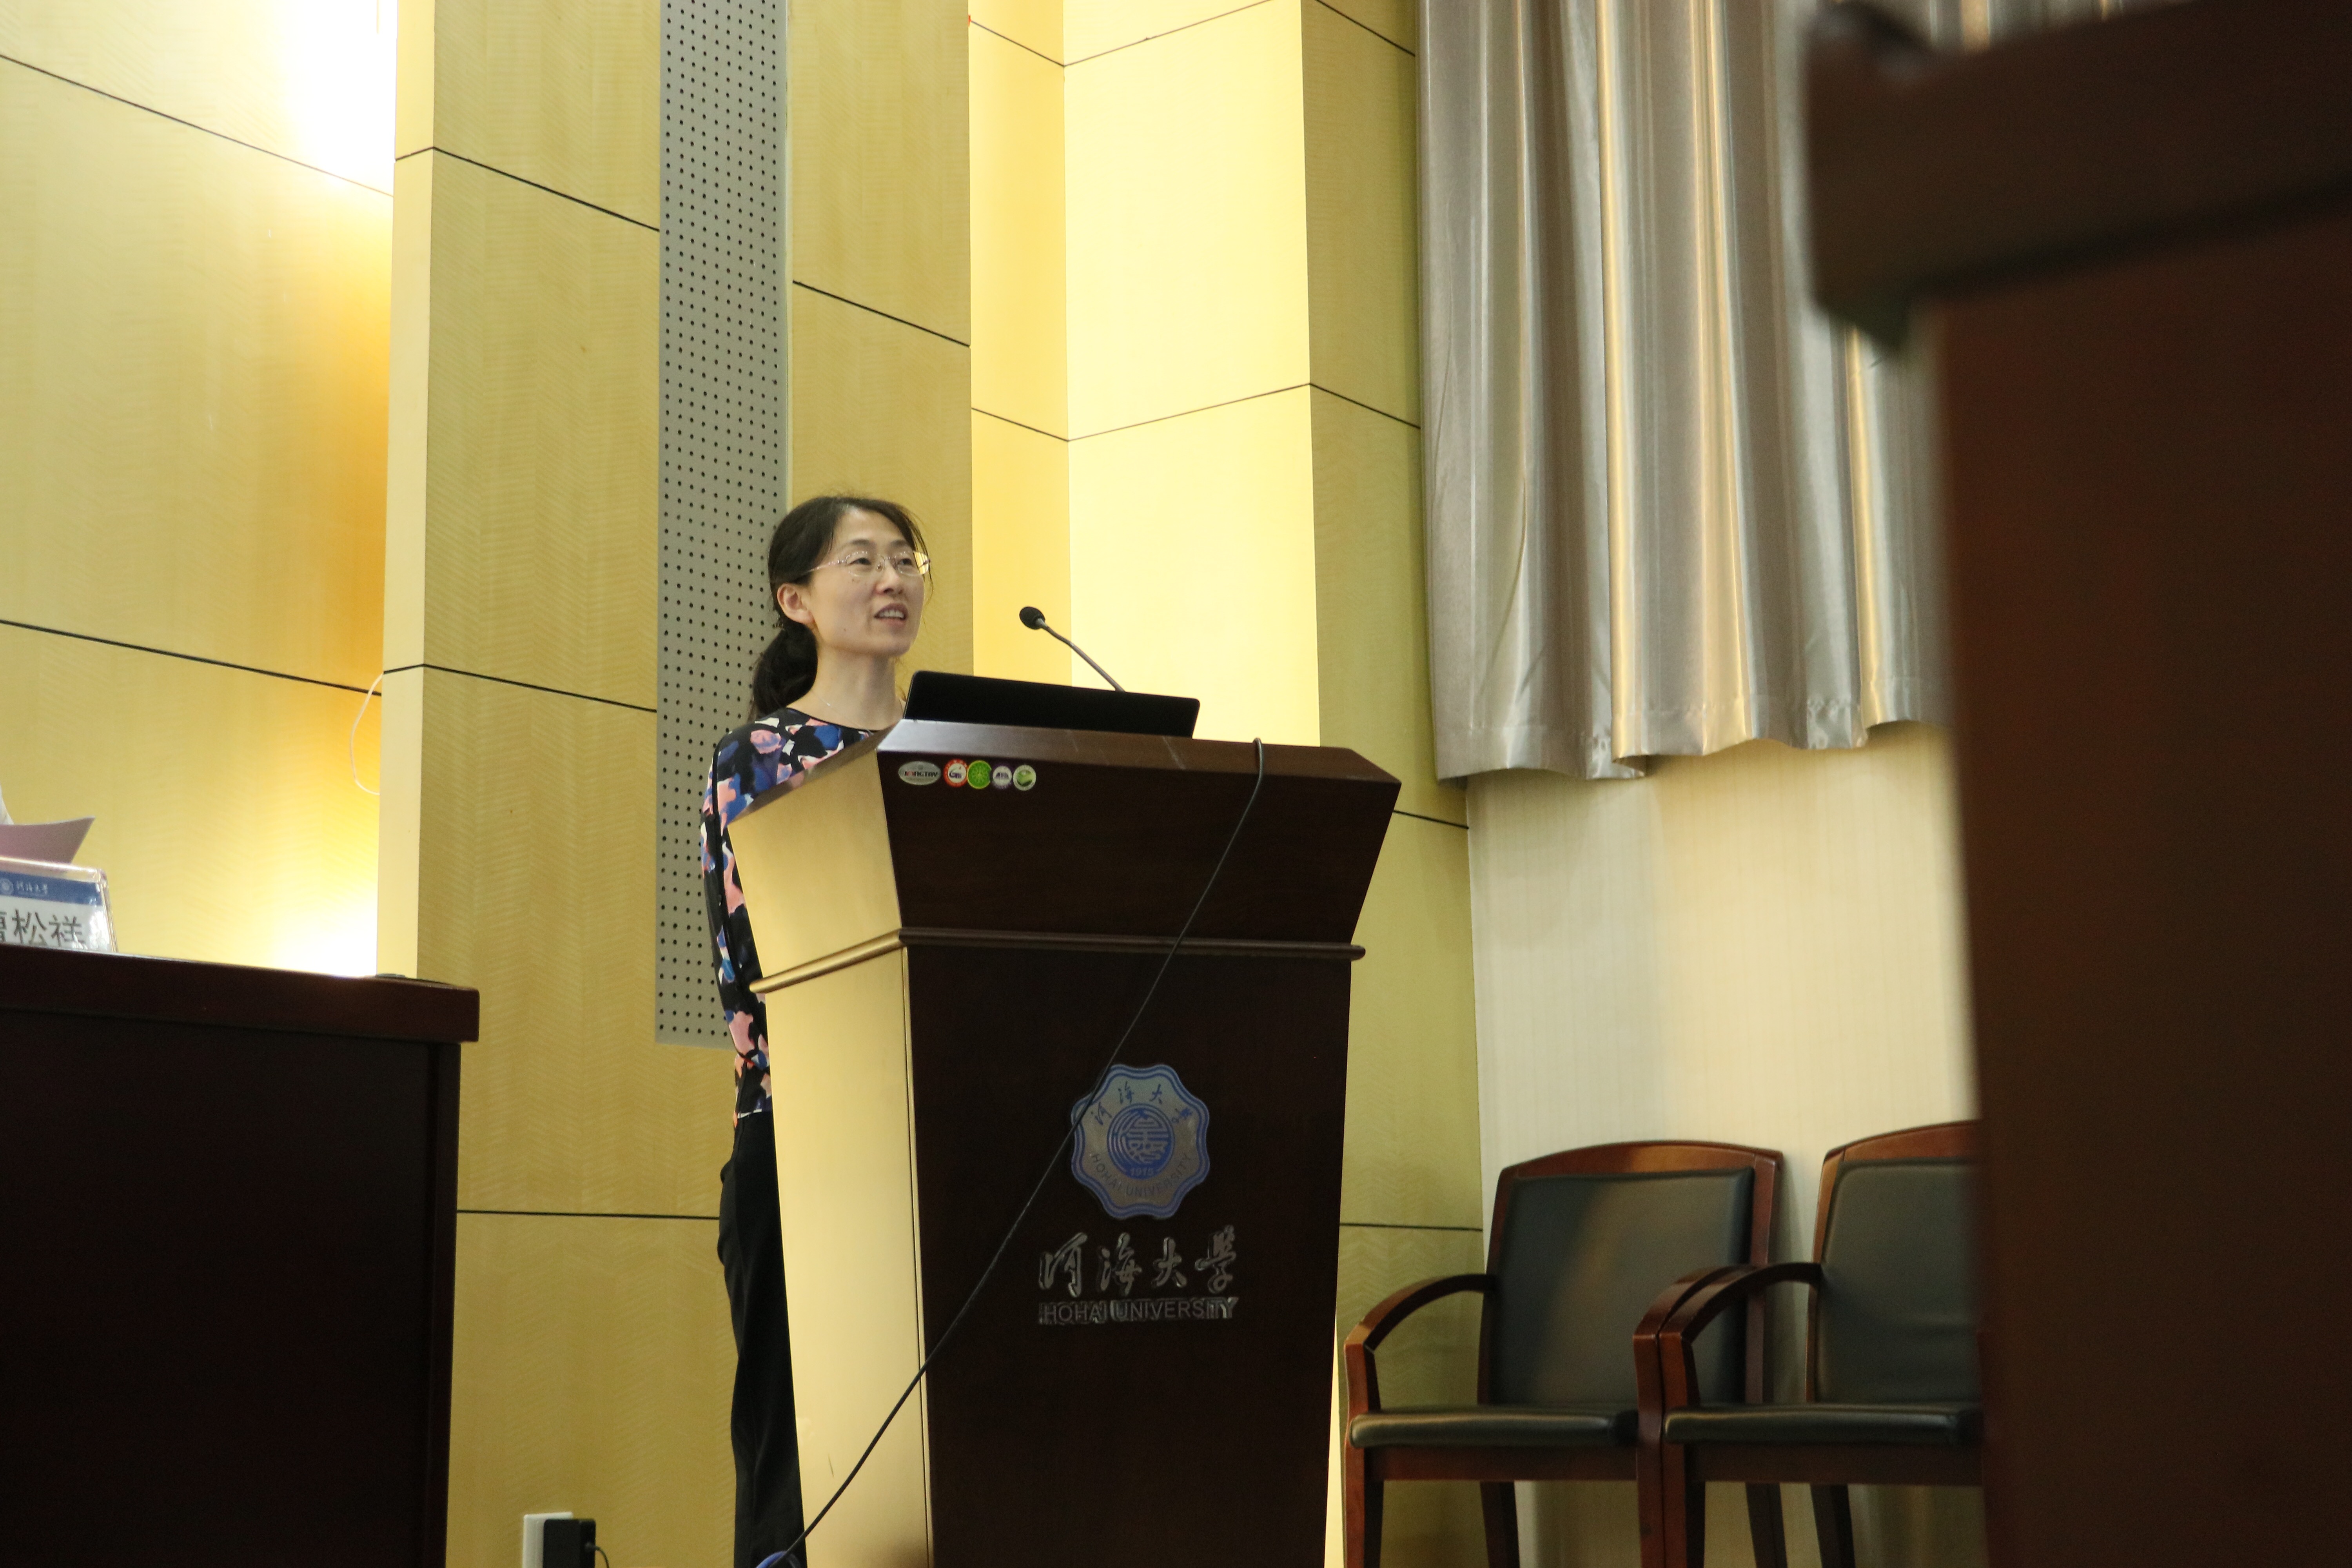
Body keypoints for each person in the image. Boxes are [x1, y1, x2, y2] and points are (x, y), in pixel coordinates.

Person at [701, 494, 929, 1568]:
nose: (893, 580)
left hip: (941, 1141)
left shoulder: (961, 750)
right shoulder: (760, 757)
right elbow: (755, 960)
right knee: (802, 1457)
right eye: (863, 561)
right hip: (807, 1144)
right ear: (796, 601)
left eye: (906, 560)